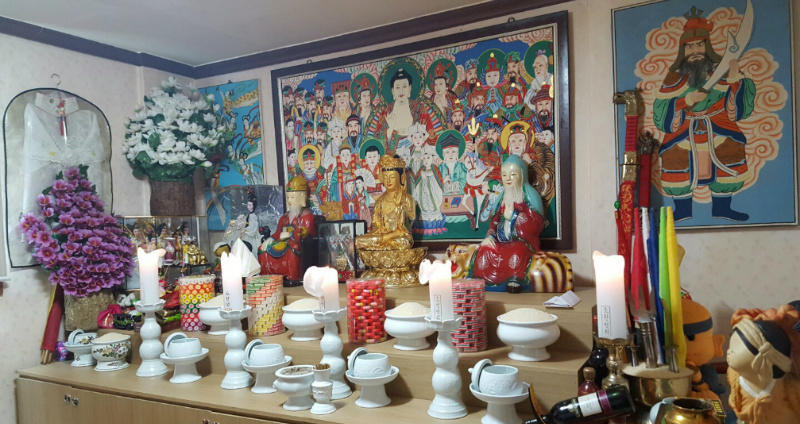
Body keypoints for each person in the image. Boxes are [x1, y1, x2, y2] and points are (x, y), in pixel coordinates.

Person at [654, 8, 756, 222]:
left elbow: (739, 108)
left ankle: (722, 207)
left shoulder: (722, 72)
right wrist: (686, 101)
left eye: (699, 45)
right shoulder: (673, 78)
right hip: (683, 128)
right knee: (674, 156)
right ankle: (682, 209)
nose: (695, 50)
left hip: (718, 123)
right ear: (683, 50)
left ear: (707, 46)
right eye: (690, 46)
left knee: (729, 149)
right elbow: (661, 110)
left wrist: (736, 81)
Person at [470, 154, 546, 292]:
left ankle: (514, 280)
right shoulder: (502, 197)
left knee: (518, 251)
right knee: (485, 249)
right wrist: (489, 236)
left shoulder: (529, 196)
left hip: (521, 241)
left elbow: (537, 223)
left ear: (522, 176)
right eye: (504, 175)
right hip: (500, 240)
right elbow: (495, 220)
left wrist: (515, 216)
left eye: (513, 174)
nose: (508, 179)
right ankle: (481, 279)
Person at [727, 312, 800, 424]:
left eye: (735, 347)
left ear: (762, 358)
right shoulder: (734, 375)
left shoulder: (790, 387)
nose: (729, 351)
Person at [259, 177, 317, 282]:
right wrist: (271, 238)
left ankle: (292, 276)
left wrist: (291, 235)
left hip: (296, 244)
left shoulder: (306, 216)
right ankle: (268, 276)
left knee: (293, 247)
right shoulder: (284, 217)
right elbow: (278, 233)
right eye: (288, 197)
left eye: (293, 197)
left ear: (302, 197)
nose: (289, 201)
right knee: (262, 249)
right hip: (282, 243)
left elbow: (309, 234)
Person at [355, 155, 416, 251]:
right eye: (385, 177)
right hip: (382, 237)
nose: (388, 181)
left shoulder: (407, 199)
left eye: (392, 177)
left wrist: (386, 237)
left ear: (401, 178)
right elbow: (375, 226)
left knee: (405, 242)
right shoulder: (380, 201)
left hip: (398, 238)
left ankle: (381, 247)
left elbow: (406, 229)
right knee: (358, 241)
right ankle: (384, 246)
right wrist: (380, 231)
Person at [412, 144, 446, 235]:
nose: (426, 160)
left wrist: (427, 179)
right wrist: (422, 179)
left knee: (433, 205)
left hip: (433, 197)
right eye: (424, 158)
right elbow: (416, 186)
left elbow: (438, 185)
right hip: (423, 199)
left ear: (432, 158)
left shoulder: (435, 170)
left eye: (428, 158)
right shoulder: (421, 171)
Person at [437, 131, 467, 195]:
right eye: (447, 152)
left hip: (459, 195)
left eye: (453, 151)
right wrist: (444, 181)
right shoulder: (440, 168)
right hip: (444, 195)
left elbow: (464, 180)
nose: (450, 155)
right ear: (443, 154)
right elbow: (436, 183)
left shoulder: (462, 167)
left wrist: (456, 189)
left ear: (457, 153)